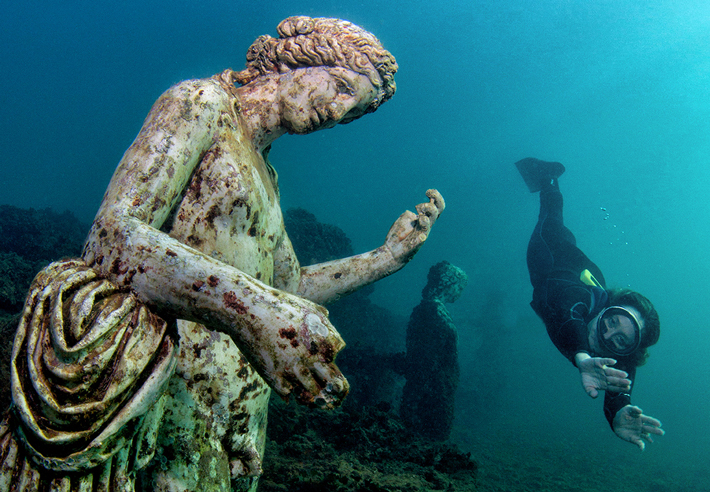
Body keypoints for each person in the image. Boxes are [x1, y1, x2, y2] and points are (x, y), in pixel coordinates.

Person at [0, 16, 444, 491]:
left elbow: (286, 288)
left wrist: (385, 258)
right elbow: (114, 235)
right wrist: (253, 311)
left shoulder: (268, 179)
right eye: (338, 87)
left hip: (231, 410)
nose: (336, 113)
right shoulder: (201, 105)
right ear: (305, 58)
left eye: (351, 111)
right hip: (170, 391)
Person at [517, 157, 664, 450]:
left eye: (621, 340)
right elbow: (568, 306)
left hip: (583, 269)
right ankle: (549, 178)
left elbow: (620, 385)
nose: (607, 336)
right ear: (607, 308)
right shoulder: (580, 300)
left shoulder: (619, 356)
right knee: (552, 220)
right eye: (611, 321)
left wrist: (619, 412)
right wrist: (582, 356)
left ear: (630, 350)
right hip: (553, 257)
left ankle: (549, 180)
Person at [401, 260, 467, 440]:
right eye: (460, 287)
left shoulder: (430, 311)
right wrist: (420, 396)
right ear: (448, 285)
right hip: (433, 392)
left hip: (433, 389)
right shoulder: (433, 313)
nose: (460, 293)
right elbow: (425, 360)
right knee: (429, 438)